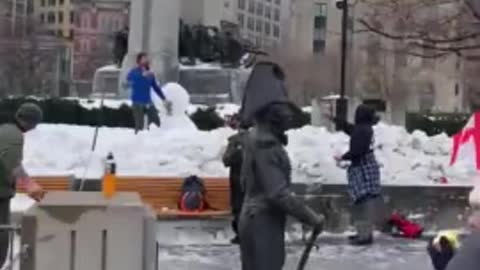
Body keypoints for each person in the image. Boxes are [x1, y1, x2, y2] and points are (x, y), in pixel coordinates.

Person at [238, 62, 324, 270]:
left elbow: (244, 183)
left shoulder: (253, 139)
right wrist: (311, 217)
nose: (289, 118)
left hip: (251, 219)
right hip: (263, 224)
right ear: (273, 118)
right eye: (284, 113)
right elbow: (278, 194)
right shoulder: (266, 145)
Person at [330, 104, 385, 245]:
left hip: (362, 169)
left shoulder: (363, 130)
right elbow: (351, 130)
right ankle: (363, 233)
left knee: (362, 203)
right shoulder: (364, 128)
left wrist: (342, 157)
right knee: (363, 202)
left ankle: (365, 236)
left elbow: (358, 150)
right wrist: (337, 120)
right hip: (366, 167)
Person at [0, 103, 46, 267]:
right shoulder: (13, 134)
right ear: (29, 121)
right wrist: (29, 184)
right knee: (2, 235)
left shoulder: (6, 130)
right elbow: (11, 160)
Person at [127, 52, 171, 134]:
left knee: (156, 122)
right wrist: (141, 75)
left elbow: (156, 88)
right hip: (137, 102)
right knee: (139, 126)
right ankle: (137, 143)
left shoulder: (150, 74)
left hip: (148, 101)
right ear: (139, 61)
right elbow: (128, 82)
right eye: (144, 59)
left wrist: (164, 99)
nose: (146, 60)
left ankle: (152, 141)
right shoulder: (134, 72)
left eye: (147, 58)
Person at [222, 114, 247, 245]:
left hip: (239, 181)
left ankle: (242, 234)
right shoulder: (261, 141)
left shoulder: (235, 141)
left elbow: (226, 160)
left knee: (239, 207)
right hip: (249, 181)